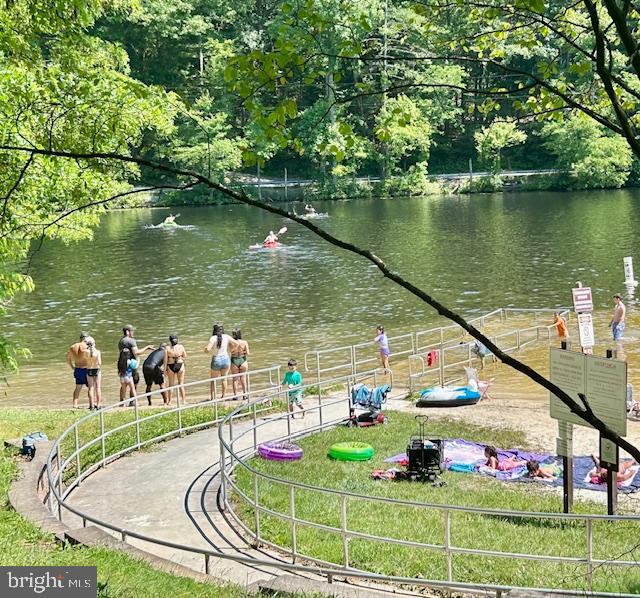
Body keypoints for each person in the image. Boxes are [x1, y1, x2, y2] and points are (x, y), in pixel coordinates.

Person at [118, 325, 154, 403]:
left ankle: (122, 401)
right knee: (134, 382)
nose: (133, 332)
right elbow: (137, 352)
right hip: (131, 365)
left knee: (123, 384)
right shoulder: (131, 341)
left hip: (122, 364)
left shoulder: (121, 341)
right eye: (132, 331)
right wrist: (147, 347)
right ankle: (132, 401)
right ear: (127, 332)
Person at [205, 323, 241, 400]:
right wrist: (232, 350)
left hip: (216, 359)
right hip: (226, 359)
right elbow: (237, 343)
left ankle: (213, 398)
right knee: (224, 379)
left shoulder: (213, 338)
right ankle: (223, 397)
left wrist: (205, 349)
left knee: (213, 380)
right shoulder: (226, 336)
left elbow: (207, 349)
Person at [66, 331, 90, 409]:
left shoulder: (73, 347)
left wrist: (72, 366)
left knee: (78, 387)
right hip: (87, 369)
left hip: (78, 369)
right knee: (91, 387)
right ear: (86, 338)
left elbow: (68, 358)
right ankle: (91, 404)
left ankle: (75, 404)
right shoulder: (87, 346)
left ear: (80, 338)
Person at [166, 334, 187, 405]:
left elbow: (165, 360)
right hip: (180, 364)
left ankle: (169, 401)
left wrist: (165, 369)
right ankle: (183, 401)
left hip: (170, 365)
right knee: (181, 384)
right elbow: (185, 356)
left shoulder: (167, 348)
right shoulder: (181, 347)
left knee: (171, 385)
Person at [83, 336, 102, 410]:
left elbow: (85, 361)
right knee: (98, 388)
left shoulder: (85, 352)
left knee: (91, 388)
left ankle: (91, 405)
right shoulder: (97, 352)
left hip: (89, 370)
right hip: (96, 369)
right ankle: (99, 404)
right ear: (94, 343)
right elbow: (100, 363)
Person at [230, 329, 250, 400]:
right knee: (243, 378)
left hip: (234, 360)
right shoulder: (244, 342)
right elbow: (248, 353)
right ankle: (245, 394)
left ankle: (235, 395)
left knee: (235, 379)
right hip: (243, 360)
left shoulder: (231, 342)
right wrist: (243, 352)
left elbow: (230, 351)